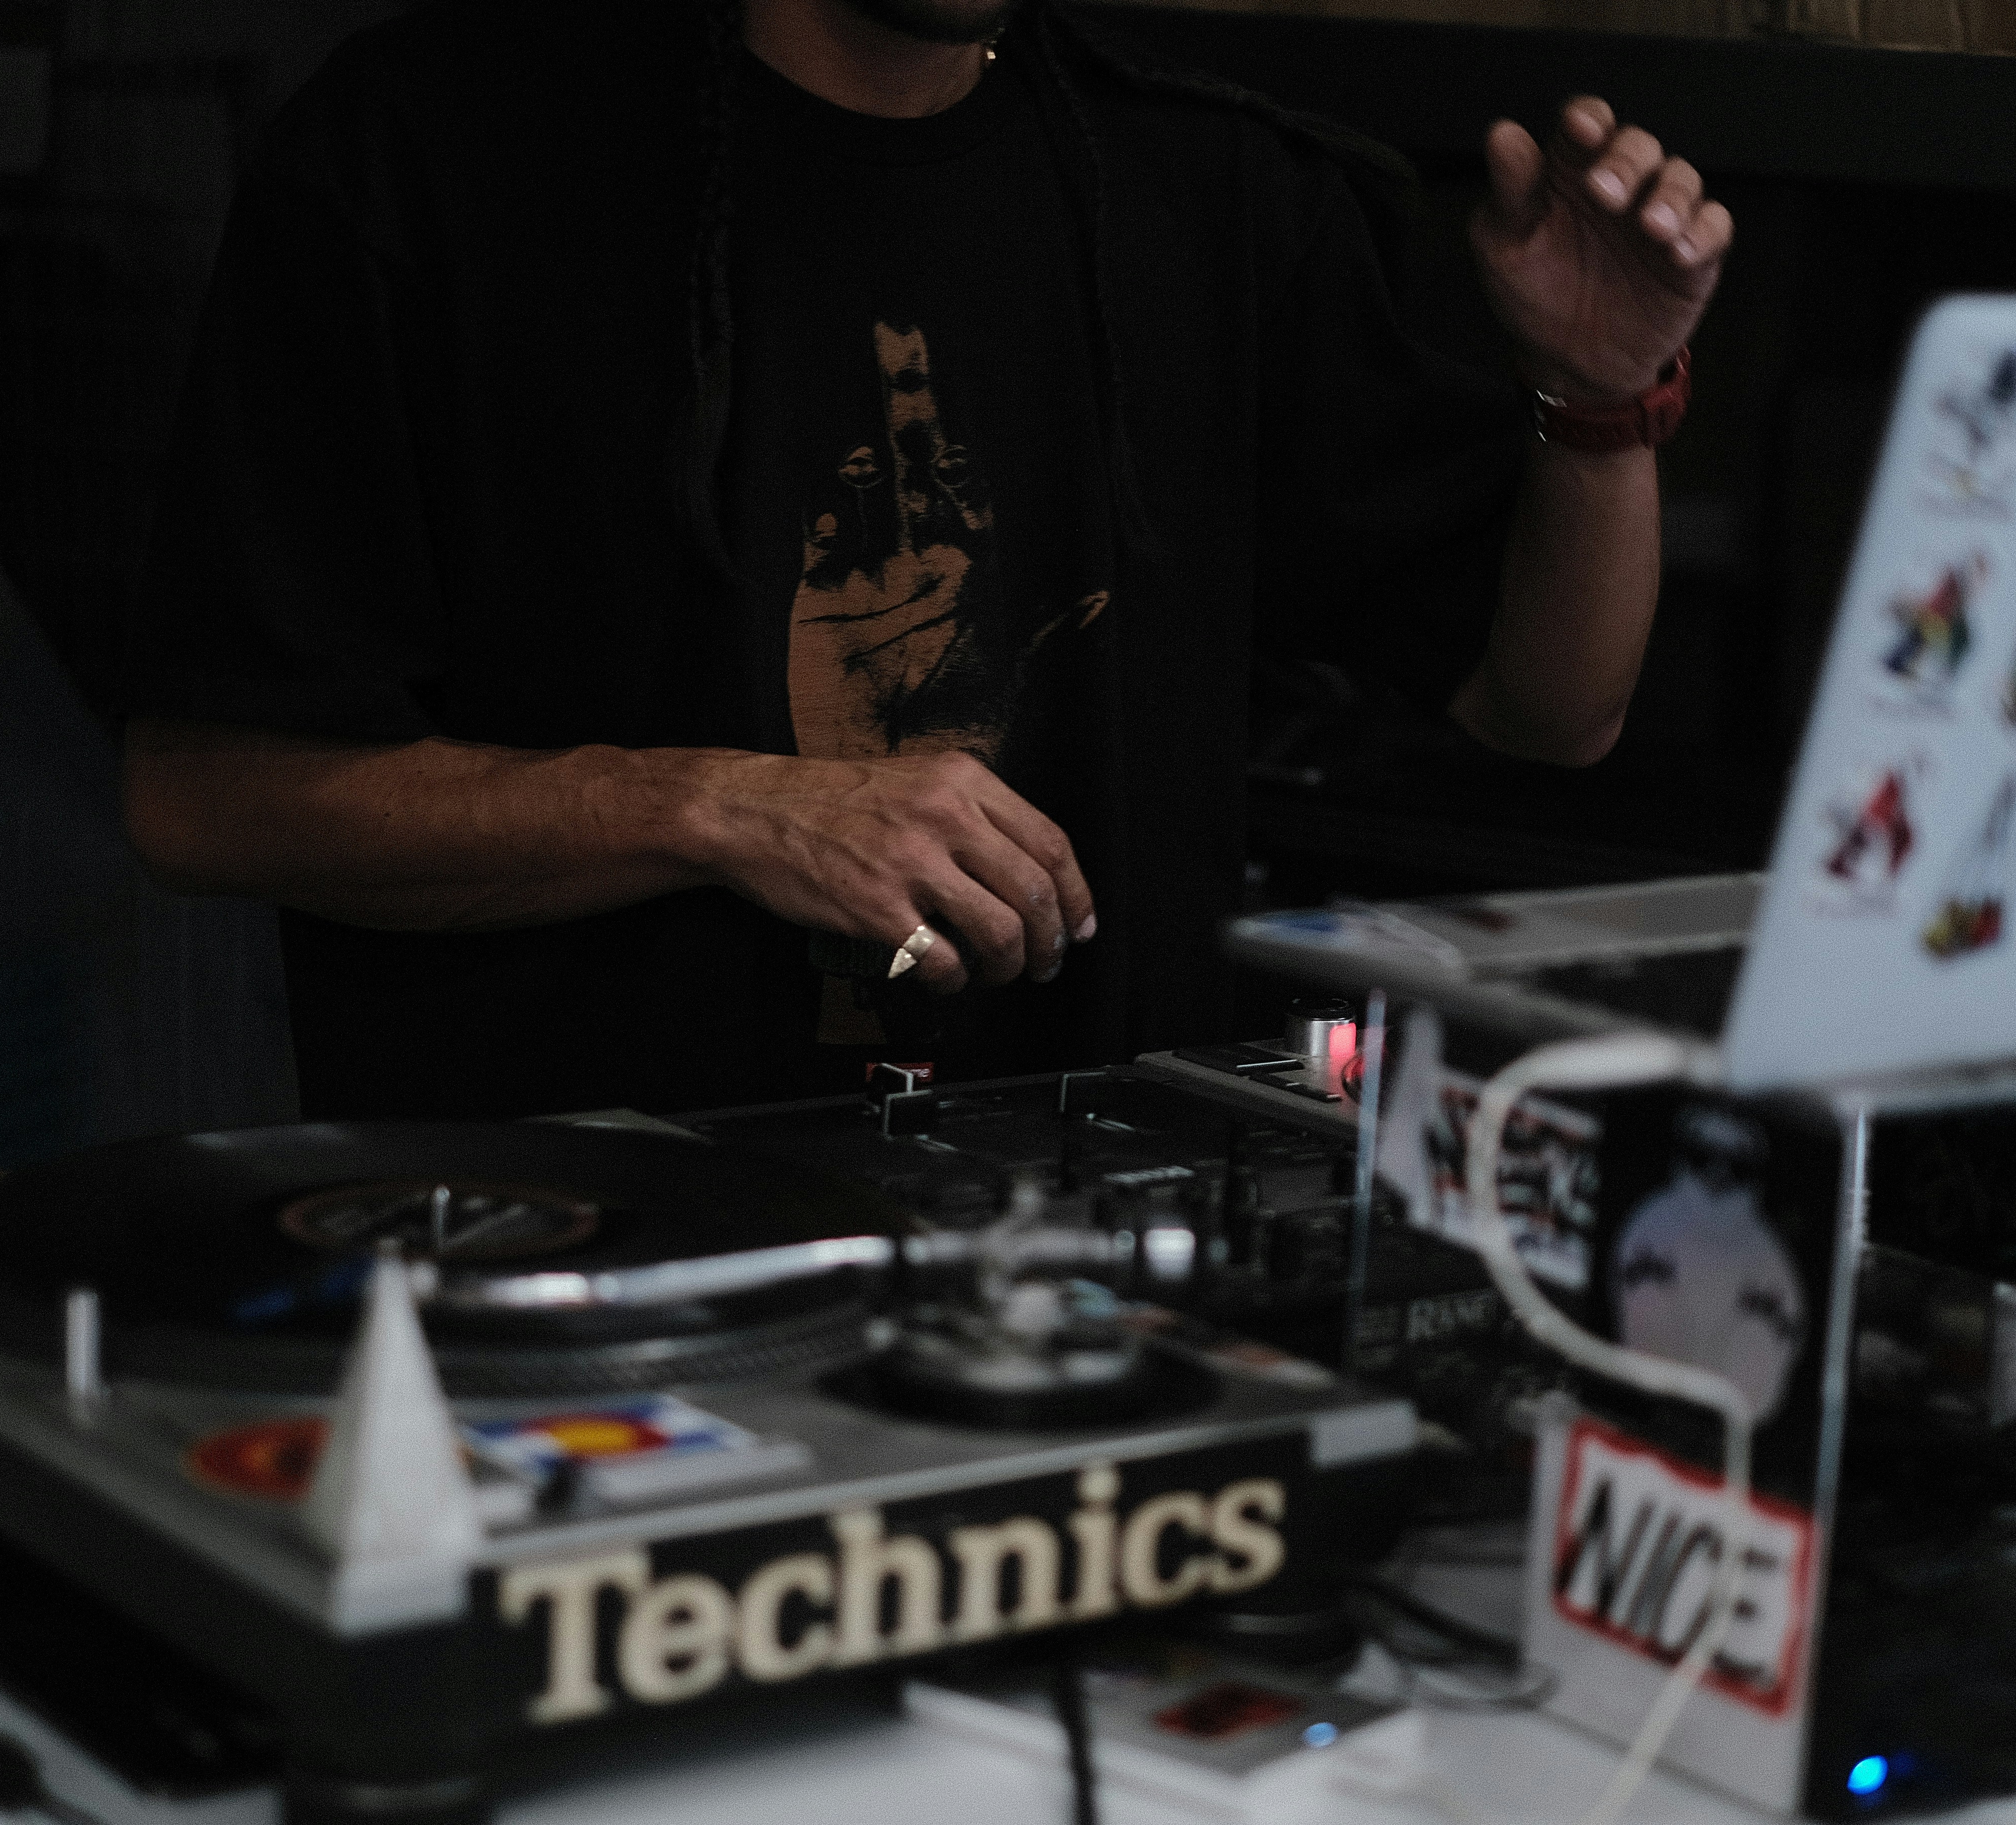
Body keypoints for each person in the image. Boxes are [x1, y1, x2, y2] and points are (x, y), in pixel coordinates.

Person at [118, 0, 1733, 1120]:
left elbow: (1550, 708)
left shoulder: (1211, 187)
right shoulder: (429, 156)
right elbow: (207, 796)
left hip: (1079, 1295)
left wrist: (1600, 402)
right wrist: (717, 806)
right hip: (574, 1284)